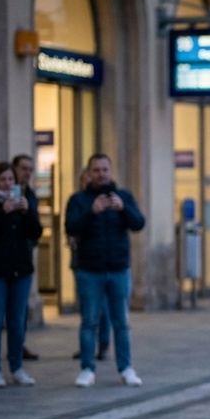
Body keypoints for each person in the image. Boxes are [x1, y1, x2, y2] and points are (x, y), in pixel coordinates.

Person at [65, 153, 146, 388]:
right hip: (90, 269)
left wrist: (123, 209)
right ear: (89, 174)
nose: (101, 174)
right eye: (96, 170)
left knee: (121, 321)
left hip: (119, 269)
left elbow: (139, 223)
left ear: (111, 172)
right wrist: (92, 211)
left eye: (104, 170)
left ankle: (126, 368)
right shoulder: (79, 200)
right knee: (89, 321)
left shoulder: (123, 196)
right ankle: (87, 369)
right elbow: (70, 226)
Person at [0, 161, 43, 387]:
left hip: (20, 270)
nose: (7, 183)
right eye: (3, 179)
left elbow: (36, 232)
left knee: (17, 320)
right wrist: (3, 212)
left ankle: (17, 367)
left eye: (11, 179)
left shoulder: (24, 201)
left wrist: (27, 212)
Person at [71, 165, 111, 362]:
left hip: (104, 264)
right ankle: (87, 349)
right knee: (88, 311)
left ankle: (102, 343)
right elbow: (71, 226)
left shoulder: (111, 200)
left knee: (103, 308)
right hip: (83, 261)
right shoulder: (79, 202)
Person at [11, 153, 41, 362]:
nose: (27, 173)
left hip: (23, 255)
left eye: (31, 169)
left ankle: (19, 345)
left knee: (19, 306)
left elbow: (35, 226)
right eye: (24, 168)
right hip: (0, 257)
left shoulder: (30, 195)